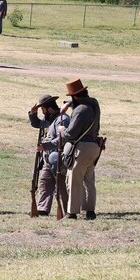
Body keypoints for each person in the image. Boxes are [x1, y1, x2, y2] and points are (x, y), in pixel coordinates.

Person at [57, 79, 101, 220]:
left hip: (82, 148)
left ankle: (71, 212)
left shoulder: (80, 110)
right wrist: (71, 105)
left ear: (74, 96)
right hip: (94, 147)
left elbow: (71, 133)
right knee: (89, 180)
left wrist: (62, 130)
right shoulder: (94, 104)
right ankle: (90, 211)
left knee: (74, 180)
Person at [29, 94, 70, 216]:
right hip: (48, 157)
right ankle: (43, 208)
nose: (42, 112)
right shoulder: (51, 119)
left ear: (49, 108)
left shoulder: (63, 119)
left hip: (58, 158)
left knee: (62, 185)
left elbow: (63, 139)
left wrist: (45, 146)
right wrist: (32, 113)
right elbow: (37, 123)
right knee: (45, 182)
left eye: (42, 109)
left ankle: (68, 209)